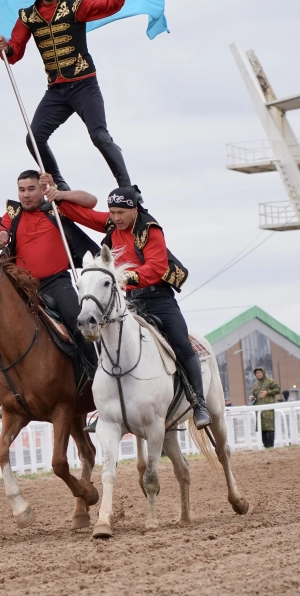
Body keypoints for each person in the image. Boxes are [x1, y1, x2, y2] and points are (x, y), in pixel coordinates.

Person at [50, 179, 206, 428]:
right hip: (129, 301)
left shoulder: (151, 230)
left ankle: (199, 404)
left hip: (159, 299)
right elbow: (83, 215)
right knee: (106, 347)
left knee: (181, 344)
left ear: (135, 210)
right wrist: (56, 198)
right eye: (112, 213)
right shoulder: (113, 223)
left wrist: (124, 277)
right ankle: (106, 408)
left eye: (121, 213)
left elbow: (157, 267)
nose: (116, 218)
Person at [0, 0, 137, 190]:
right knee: (34, 138)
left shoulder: (76, 6)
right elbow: (14, 51)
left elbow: (107, 6)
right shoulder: (28, 16)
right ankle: (59, 184)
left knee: (99, 136)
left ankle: (127, 188)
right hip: (56, 91)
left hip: (84, 85)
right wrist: (4, 47)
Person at [0, 170, 101, 338]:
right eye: (22, 190)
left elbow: (91, 201)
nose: (26, 195)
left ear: (42, 189)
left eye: (31, 189)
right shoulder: (13, 213)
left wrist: (60, 193)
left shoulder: (56, 208)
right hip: (23, 286)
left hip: (57, 284)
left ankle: (91, 363)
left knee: (76, 319)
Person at [252, 368, 282, 448]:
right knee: (262, 428)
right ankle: (265, 446)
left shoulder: (270, 381)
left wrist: (267, 392)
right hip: (259, 410)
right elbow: (255, 394)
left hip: (268, 410)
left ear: (263, 373)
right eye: (257, 373)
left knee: (270, 428)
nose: (258, 374)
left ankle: (271, 445)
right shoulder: (256, 384)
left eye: (259, 372)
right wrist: (252, 397)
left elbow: (277, 390)